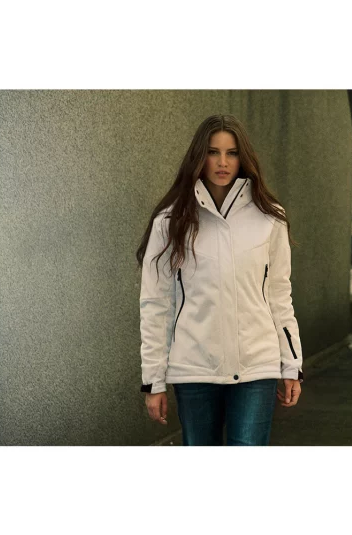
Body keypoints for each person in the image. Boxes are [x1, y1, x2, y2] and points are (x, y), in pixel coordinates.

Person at [136, 114, 303, 446]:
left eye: (232, 153)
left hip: (257, 366)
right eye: (213, 152)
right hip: (195, 368)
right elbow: (156, 304)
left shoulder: (270, 217)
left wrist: (291, 364)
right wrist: (153, 380)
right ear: (199, 157)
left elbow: (279, 296)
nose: (223, 162)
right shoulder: (170, 221)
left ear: (243, 158)